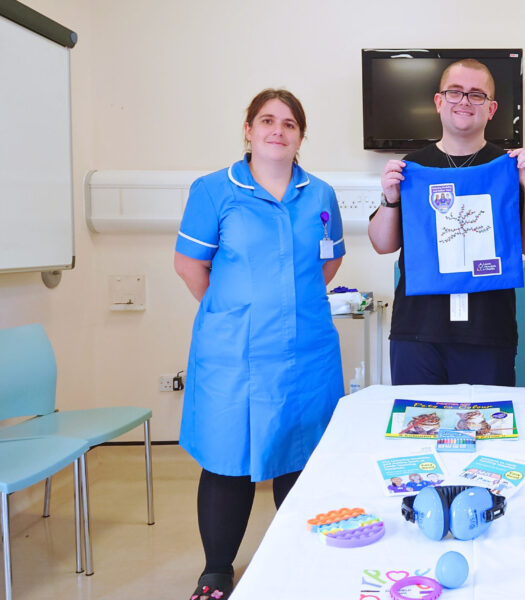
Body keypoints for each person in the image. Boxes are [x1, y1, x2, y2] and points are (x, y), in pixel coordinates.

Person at [174, 88, 345, 600]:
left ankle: (302, 556)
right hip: (235, 353)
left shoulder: (319, 194)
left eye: (289, 123)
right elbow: (189, 265)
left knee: (301, 454)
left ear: (300, 136)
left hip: (306, 351)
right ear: (248, 130)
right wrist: (234, 311)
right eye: (267, 121)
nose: (278, 130)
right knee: (230, 459)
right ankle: (217, 570)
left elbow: (329, 262)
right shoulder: (213, 191)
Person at [368, 58, 525, 386]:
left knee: (487, 434)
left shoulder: (508, 167)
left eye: (476, 94)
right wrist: (389, 196)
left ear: (492, 108)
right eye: (455, 92)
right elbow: (383, 244)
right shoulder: (411, 168)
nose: (465, 101)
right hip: (418, 332)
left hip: (488, 332)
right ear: (439, 102)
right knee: (417, 432)